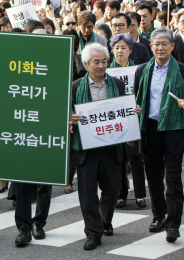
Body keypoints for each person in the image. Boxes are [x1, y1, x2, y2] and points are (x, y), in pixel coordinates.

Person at [69, 43, 133, 250]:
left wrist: (132, 113)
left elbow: (125, 109)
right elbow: (66, 112)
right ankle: (93, 232)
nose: (101, 65)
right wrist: (70, 119)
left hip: (111, 147)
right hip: (85, 148)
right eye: (96, 62)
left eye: (104, 61)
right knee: (87, 192)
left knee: (112, 189)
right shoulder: (76, 86)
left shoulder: (117, 84)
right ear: (86, 64)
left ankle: (105, 221)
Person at [134, 27, 184, 243]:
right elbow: (138, 98)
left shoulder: (182, 70)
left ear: (172, 47)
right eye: (157, 44)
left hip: (174, 129)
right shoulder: (142, 70)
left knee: (173, 178)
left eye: (165, 44)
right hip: (151, 128)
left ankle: (173, 223)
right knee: (153, 176)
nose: (161, 47)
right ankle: (158, 216)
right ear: (151, 47)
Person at [108, 34, 147, 209]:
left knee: (136, 157)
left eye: (124, 47)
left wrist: (141, 108)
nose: (120, 51)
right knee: (119, 158)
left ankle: (140, 195)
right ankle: (121, 194)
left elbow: (143, 94)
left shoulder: (138, 70)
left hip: (133, 117)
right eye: (116, 48)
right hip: (115, 118)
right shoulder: (107, 71)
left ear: (131, 50)